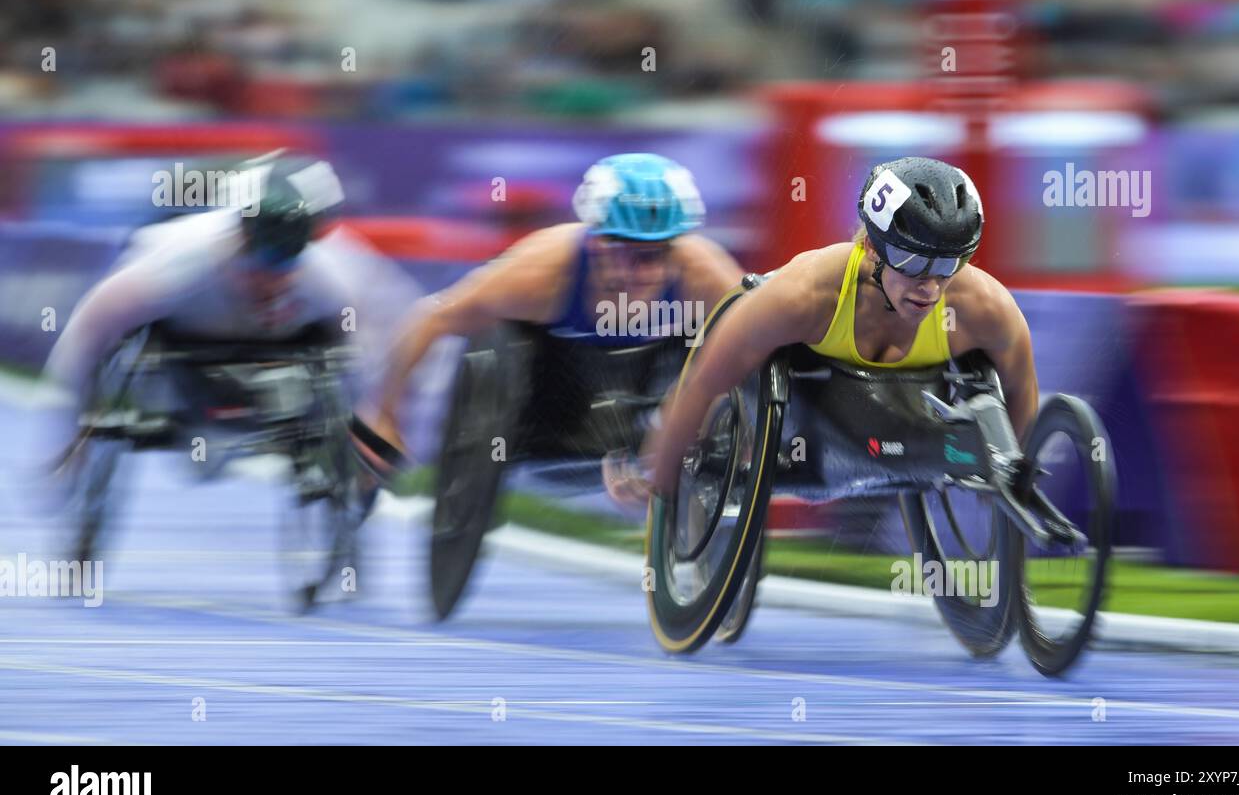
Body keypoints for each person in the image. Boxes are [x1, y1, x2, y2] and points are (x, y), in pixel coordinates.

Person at [642, 156, 1039, 497]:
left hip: (898, 416)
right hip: (809, 405)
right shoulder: (804, 296)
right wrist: (662, 478)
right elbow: (705, 379)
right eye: (912, 263)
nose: (930, 287)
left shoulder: (984, 307)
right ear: (870, 247)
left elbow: (1021, 389)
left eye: (946, 265)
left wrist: (1011, 484)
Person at [362, 153, 745, 497]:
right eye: (628, 251)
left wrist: (688, 430)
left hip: (659, 381)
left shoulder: (704, 273)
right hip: (552, 395)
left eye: (660, 252)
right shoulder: (540, 272)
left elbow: (759, 344)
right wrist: (384, 414)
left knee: (722, 337)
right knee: (510, 334)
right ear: (596, 243)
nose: (646, 270)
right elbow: (432, 318)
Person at [41, 149, 419, 472]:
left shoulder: (330, 278)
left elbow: (360, 355)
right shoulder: (173, 263)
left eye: (284, 267)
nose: (270, 281)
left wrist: (367, 423)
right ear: (240, 239)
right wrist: (71, 429)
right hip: (182, 351)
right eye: (261, 264)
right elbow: (89, 329)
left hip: (276, 352)